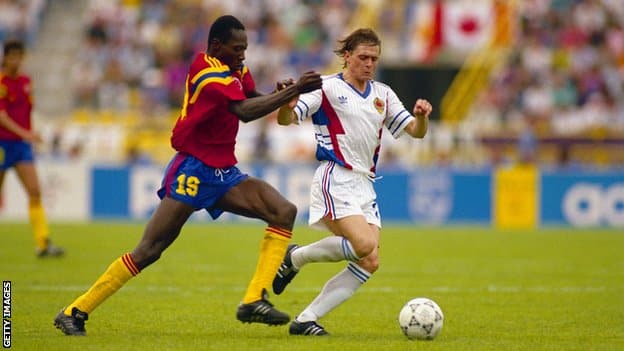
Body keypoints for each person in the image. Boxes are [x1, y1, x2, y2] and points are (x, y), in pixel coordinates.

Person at [53, 15, 322, 336]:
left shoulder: (233, 68)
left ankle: (253, 300)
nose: (243, 55)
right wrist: (294, 91)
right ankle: (74, 311)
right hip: (193, 170)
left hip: (223, 171)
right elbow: (245, 112)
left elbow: (250, 96)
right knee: (150, 249)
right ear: (216, 46)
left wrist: (279, 92)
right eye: (237, 49)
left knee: (283, 212)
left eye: (246, 49)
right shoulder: (207, 74)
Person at [273, 28, 432, 336]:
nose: (369, 64)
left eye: (374, 58)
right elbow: (286, 119)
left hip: (364, 183)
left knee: (370, 259)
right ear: (347, 56)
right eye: (363, 57)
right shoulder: (326, 88)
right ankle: (296, 257)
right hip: (335, 176)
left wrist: (421, 116)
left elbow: (416, 131)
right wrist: (286, 105)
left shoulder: (382, 94)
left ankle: (306, 318)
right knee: (364, 244)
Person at [0, 40, 64, 258]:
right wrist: (26, 134)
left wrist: (30, 135)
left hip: (21, 146)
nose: (16, 60)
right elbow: (1, 117)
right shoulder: (2, 83)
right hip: (2, 143)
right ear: (5, 57)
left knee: (35, 191)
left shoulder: (27, 81)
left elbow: (26, 113)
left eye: (19, 56)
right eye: (12, 56)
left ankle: (43, 243)